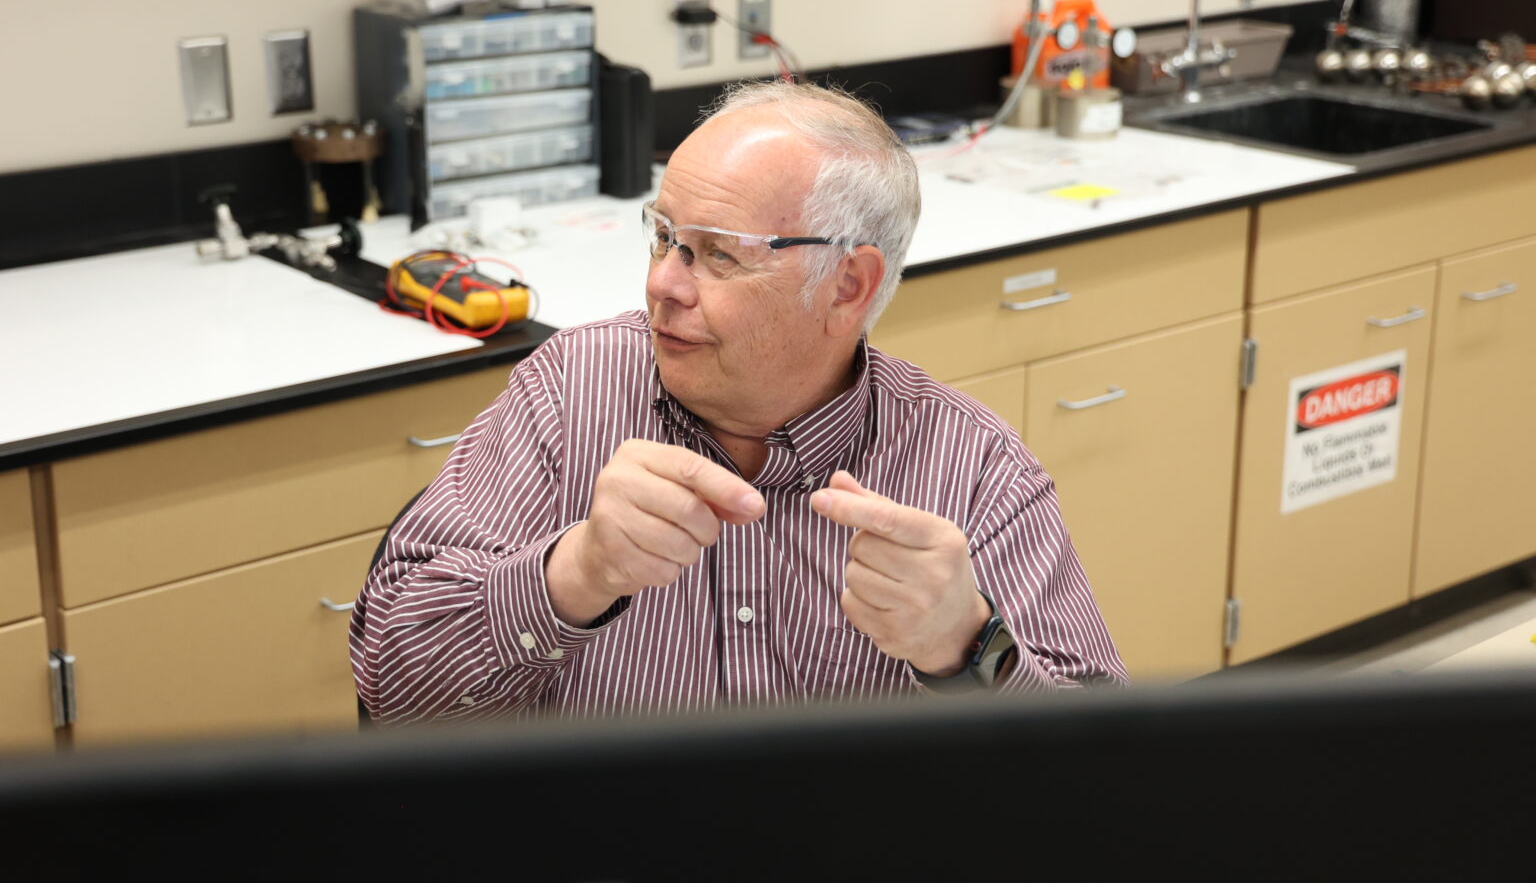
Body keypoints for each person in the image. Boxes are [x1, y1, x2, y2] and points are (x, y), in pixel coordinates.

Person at [351, 81, 1126, 724]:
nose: (663, 283)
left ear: (846, 287)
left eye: (718, 253)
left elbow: (1103, 790)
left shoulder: (970, 466)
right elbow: (391, 693)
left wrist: (965, 646)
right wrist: (574, 573)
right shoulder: (571, 393)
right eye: (663, 237)